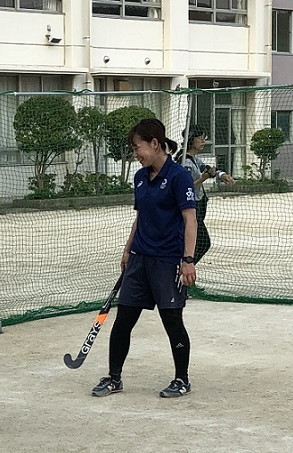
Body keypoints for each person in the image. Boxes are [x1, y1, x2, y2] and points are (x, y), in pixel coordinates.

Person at [92, 118, 197, 399]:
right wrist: (127, 249)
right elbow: (140, 217)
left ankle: (181, 379)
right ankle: (114, 378)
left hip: (168, 261)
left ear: (154, 143)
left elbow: (190, 220)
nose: (135, 154)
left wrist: (188, 259)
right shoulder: (140, 177)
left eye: (137, 148)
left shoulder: (179, 177)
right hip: (140, 259)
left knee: (172, 320)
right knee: (123, 320)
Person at [174, 125, 235, 264]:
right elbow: (186, 187)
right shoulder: (184, 161)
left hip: (199, 205)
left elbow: (207, 169)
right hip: (189, 207)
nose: (203, 141)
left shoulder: (194, 159)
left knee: (195, 243)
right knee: (202, 243)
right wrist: (203, 178)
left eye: (204, 138)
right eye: (200, 138)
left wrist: (221, 174)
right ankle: (184, 272)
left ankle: (187, 278)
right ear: (191, 140)